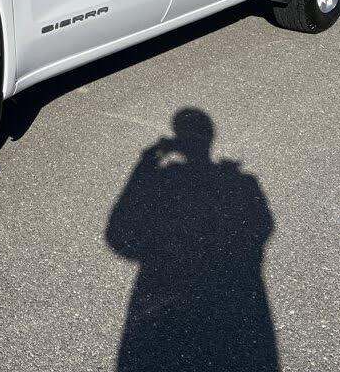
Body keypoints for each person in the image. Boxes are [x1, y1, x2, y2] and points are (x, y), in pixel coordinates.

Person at [106, 108, 279, 372]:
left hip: (164, 290)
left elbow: (118, 233)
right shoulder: (241, 183)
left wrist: (146, 163)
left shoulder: (164, 181)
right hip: (233, 294)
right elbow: (263, 227)